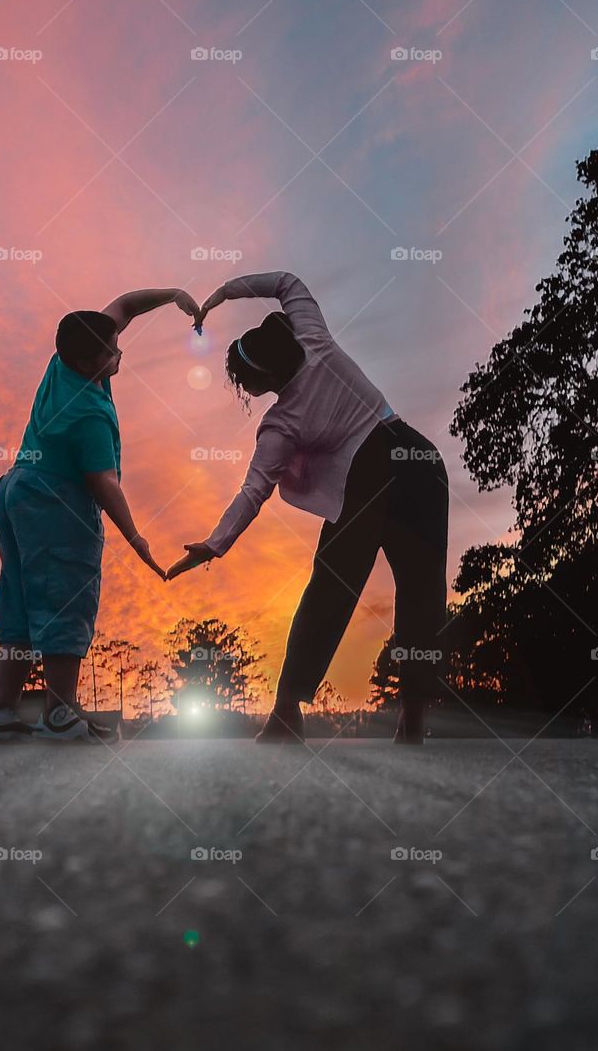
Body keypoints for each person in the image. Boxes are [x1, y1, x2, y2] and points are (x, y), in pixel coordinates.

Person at [169, 272, 449, 745]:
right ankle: (413, 716)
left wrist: (215, 545)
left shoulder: (283, 422)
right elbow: (285, 281)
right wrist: (221, 294)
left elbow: (253, 490)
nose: (246, 390)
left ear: (265, 380)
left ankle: (285, 712)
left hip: (369, 478)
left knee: (330, 589)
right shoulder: (310, 335)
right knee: (422, 592)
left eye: (246, 382)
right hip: (420, 460)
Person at [0, 287, 200, 742]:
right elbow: (105, 484)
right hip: (55, 500)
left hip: (16, 488)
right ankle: (59, 714)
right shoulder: (87, 412)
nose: (120, 352)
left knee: (19, 601)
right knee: (66, 595)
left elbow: (123, 306)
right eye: (111, 351)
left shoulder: (63, 362)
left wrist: (173, 295)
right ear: (86, 362)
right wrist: (137, 539)